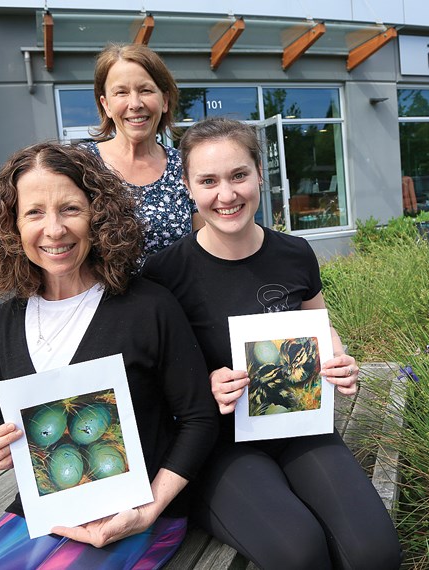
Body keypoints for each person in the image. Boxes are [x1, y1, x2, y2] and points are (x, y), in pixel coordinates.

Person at [142, 117, 402, 570]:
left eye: (239, 175)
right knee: (299, 553)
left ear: (260, 173)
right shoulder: (165, 274)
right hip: (217, 445)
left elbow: (319, 327)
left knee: (375, 554)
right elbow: (154, 380)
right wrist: (206, 384)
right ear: (186, 185)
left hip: (298, 428)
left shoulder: (294, 252)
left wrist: (338, 360)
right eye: (208, 181)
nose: (227, 195)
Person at [0, 142, 217, 569]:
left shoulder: (148, 307)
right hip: (49, 515)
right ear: (12, 226)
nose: (55, 229)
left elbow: (199, 419)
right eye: (34, 212)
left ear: (98, 215)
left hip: (141, 513)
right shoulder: (1, 325)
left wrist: (151, 508)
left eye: (70, 209)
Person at [82, 43, 202, 257]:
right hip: (107, 291)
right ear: (106, 104)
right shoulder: (82, 166)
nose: (135, 103)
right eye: (121, 92)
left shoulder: (185, 167)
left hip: (175, 290)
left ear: (164, 101)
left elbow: (204, 248)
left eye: (145, 90)